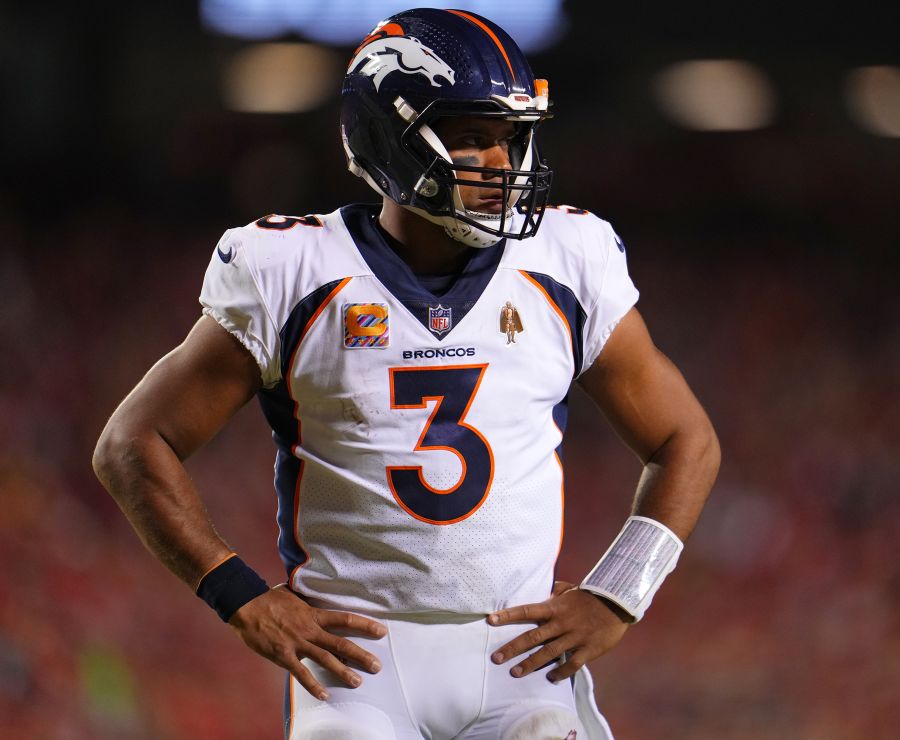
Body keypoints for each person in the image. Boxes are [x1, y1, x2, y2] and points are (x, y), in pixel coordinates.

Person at [93, 8, 719, 739]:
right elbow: (131, 445)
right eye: (472, 137)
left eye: (512, 137)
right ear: (389, 138)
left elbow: (686, 439)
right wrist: (241, 596)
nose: (503, 163)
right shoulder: (294, 272)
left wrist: (618, 591)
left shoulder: (566, 259)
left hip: (519, 658)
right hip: (359, 667)